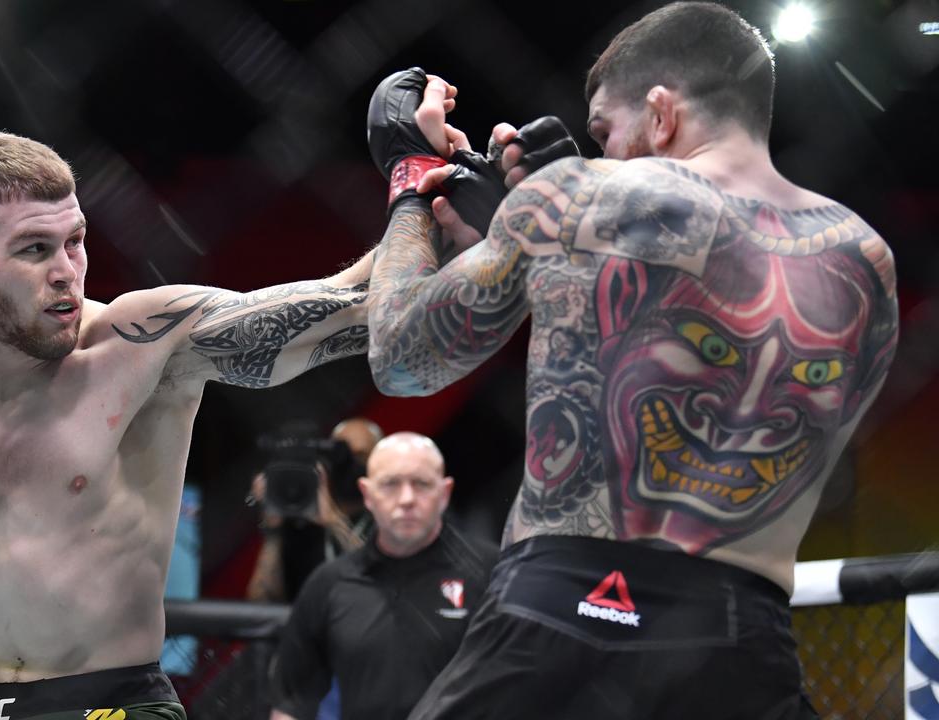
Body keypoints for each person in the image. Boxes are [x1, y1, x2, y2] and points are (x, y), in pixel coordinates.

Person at [363, 4, 899, 719]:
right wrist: (539, 235)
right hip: (740, 637)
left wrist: (413, 182)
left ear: (661, 111)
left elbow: (402, 359)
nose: (606, 155)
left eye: (605, 133)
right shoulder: (864, 257)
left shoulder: (580, 196)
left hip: (557, 614)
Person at [0, 131, 389, 720]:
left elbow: (350, 306)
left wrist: (421, 194)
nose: (66, 271)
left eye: (74, 241)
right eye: (33, 249)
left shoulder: (142, 345)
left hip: (114, 706)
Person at [268, 433, 498, 720]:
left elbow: (531, 685)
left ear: (445, 492)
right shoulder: (330, 584)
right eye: (390, 484)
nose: (406, 499)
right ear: (367, 494)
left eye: (422, 484)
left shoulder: (493, 574)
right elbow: (292, 701)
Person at [246, 417, 384, 603]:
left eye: (359, 455)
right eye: (341, 453)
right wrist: (274, 530)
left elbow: (387, 584)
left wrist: (334, 521)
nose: (349, 463)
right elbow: (259, 602)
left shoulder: (388, 519)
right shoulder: (301, 518)